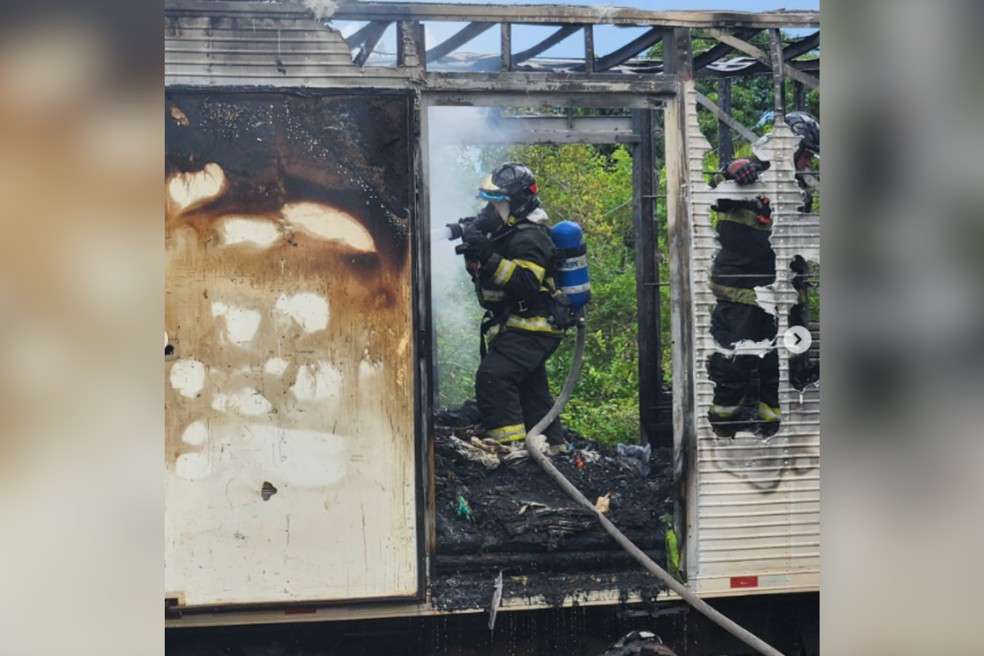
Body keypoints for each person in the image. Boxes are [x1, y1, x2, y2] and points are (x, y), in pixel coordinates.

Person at [705, 111, 819, 437]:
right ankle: (722, 433)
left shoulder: (799, 192)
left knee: (781, 368)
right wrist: (731, 170)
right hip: (739, 296)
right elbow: (715, 193)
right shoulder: (746, 176)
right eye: (807, 155)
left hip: (783, 296)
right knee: (732, 364)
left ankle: (776, 435)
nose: (809, 164)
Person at [457, 162, 567, 447]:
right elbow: (493, 282)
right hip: (520, 326)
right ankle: (554, 450)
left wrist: (488, 256)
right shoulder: (508, 233)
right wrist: (477, 257)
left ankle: (512, 450)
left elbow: (526, 283)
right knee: (532, 393)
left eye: (498, 204)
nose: (490, 211)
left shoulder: (530, 236)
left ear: (516, 204)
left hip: (532, 327)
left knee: (494, 378)